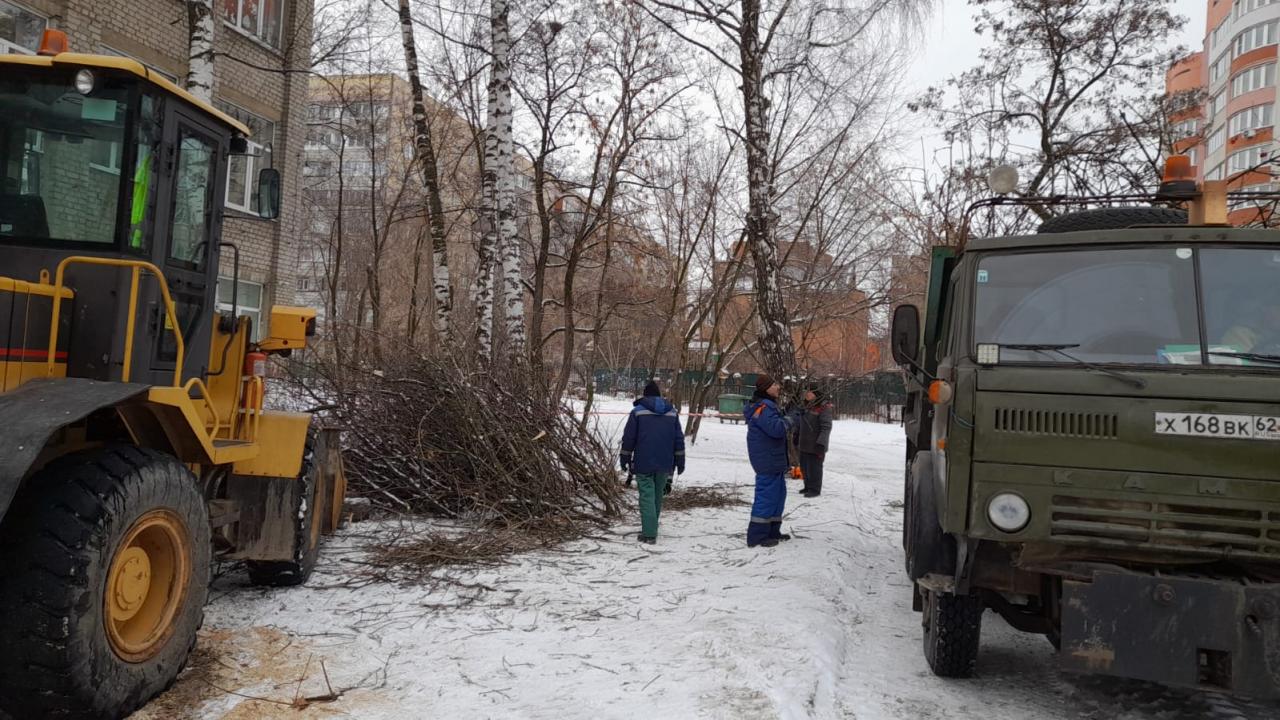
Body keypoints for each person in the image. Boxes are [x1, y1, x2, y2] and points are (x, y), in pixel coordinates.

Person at [620, 380, 685, 544]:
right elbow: (678, 439)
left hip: (644, 461)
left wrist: (625, 457)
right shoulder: (672, 413)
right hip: (665, 462)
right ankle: (652, 526)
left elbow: (629, 438)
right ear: (659, 395)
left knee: (647, 496)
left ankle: (649, 534)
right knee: (657, 495)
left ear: (645, 394)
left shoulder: (637, 412)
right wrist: (680, 460)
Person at [744, 374, 797, 548]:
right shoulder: (764, 407)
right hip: (767, 460)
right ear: (766, 388)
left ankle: (772, 531)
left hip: (772, 459)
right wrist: (792, 419)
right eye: (775, 385)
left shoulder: (768, 406)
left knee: (778, 495)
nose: (778, 387)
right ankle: (757, 536)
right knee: (767, 497)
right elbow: (776, 429)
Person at [794, 385, 833, 498]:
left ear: (816, 393)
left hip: (816, 444)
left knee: (814, 467)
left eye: (809, 391)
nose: (806, 394)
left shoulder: (824, 407)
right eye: (805, 391)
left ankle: (815, 489)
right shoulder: (805, 407)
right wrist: (797, 435)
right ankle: (807, 486)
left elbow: (826, 427)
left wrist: (821, 443)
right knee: (804, 466)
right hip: (804, 443)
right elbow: (801, 423)